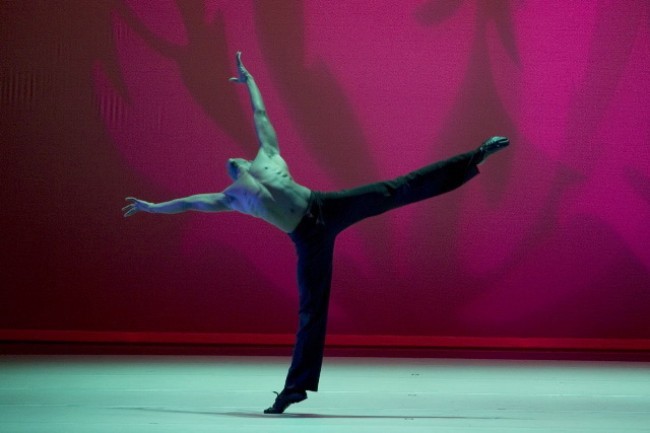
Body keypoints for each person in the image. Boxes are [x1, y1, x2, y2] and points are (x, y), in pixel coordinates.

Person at [123, 52, 510, 414]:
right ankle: (294, 389)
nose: (230, 161)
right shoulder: (231, 197)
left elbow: (260, 113)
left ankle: (474, 156)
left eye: (234, 158)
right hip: (307, 238)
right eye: (228, 165)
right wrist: (153, 207)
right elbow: (191, 202)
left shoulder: (267, 156)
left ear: (243, 159)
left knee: (398, 188)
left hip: (326, 205)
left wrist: (251, 80)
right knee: (312, 309)